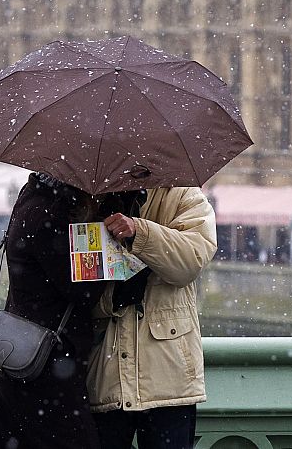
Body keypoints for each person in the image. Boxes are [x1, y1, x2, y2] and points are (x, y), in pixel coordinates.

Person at [0, 172, 144, 449]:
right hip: (48, 364)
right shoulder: (50, 215)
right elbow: (82, 291)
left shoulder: (30, 197)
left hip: (20, 354)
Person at [87, 186, 217, 449]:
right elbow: (75, 291)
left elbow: (191, 260)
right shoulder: (90, 200)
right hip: (107, 374)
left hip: (168, 377)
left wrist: (139, 231)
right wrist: (112, 299)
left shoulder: (182, 195)